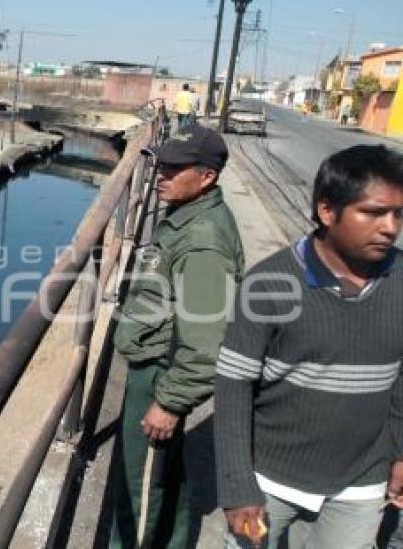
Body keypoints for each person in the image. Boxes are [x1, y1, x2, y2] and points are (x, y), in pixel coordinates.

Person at [215, 145, 403, 548]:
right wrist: (238, 487)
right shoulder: (268, 285)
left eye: (398, 214)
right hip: (267, 485)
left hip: (360, 484)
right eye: (372, 213)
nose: (389, 227)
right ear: (327, 211)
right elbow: (233, 387)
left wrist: (400, 452)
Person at [113, 124, 245, 548]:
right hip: (157, 365)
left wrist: (169, 402)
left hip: (161, 374)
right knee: (162, 477)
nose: (161, 175)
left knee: (140, 490)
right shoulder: (187, 215)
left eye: (175, 168)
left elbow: (207, 343)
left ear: (207, 177)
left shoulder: (202, 241)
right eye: (160, 165)